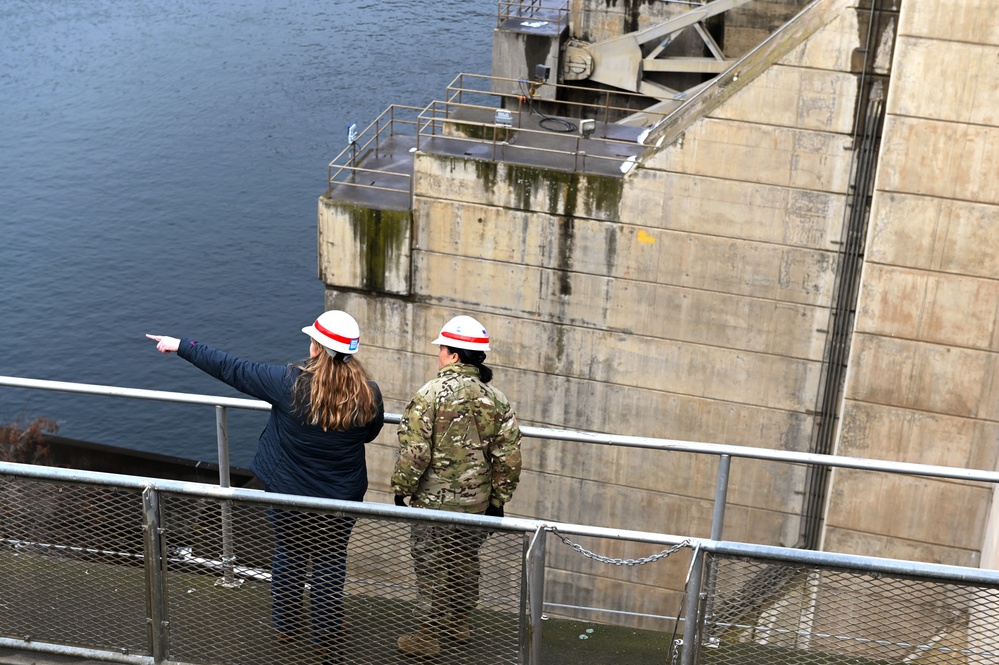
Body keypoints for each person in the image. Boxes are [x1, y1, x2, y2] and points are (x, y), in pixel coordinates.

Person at [146, 310, 383, 664]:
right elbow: (370, 434)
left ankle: (286, 624)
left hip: (287, 494)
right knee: (330, 562)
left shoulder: (288, 383)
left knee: (290, 552)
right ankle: (326, 636)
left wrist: (182, 345)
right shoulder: (369, 394)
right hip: (340, 500)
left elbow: (233, 369)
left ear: (317, 348)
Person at [390, 314, 522, 657]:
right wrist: (499, 500)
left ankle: (427, 636)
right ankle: (459, 622)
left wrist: (402, 488)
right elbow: (508, 456)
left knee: (431, 565)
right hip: (476, 503)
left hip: (433, 504)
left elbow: (416, 453)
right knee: (465, 560)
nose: (439, 354)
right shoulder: (496, 398)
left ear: (453, 354)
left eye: (442, 349)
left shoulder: (430, 394)